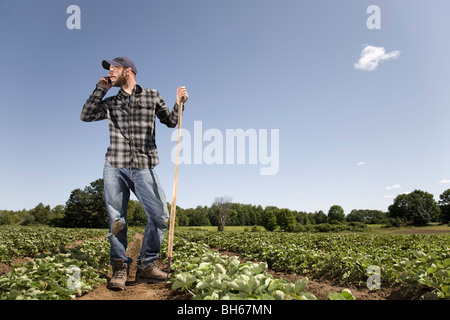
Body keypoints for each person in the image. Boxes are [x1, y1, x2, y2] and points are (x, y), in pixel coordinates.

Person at [80, 56, 188, 290]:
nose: (110, 73)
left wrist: (179, 103)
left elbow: (170, 121)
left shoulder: (152, 95)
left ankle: (146, 265)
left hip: (143, 165)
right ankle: (119, 268)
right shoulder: (110, 102)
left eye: (113, 69)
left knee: (160, 217)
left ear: (128, 71)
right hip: (114, 165)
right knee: (117, 220)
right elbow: (86, 115)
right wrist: (100, 89)